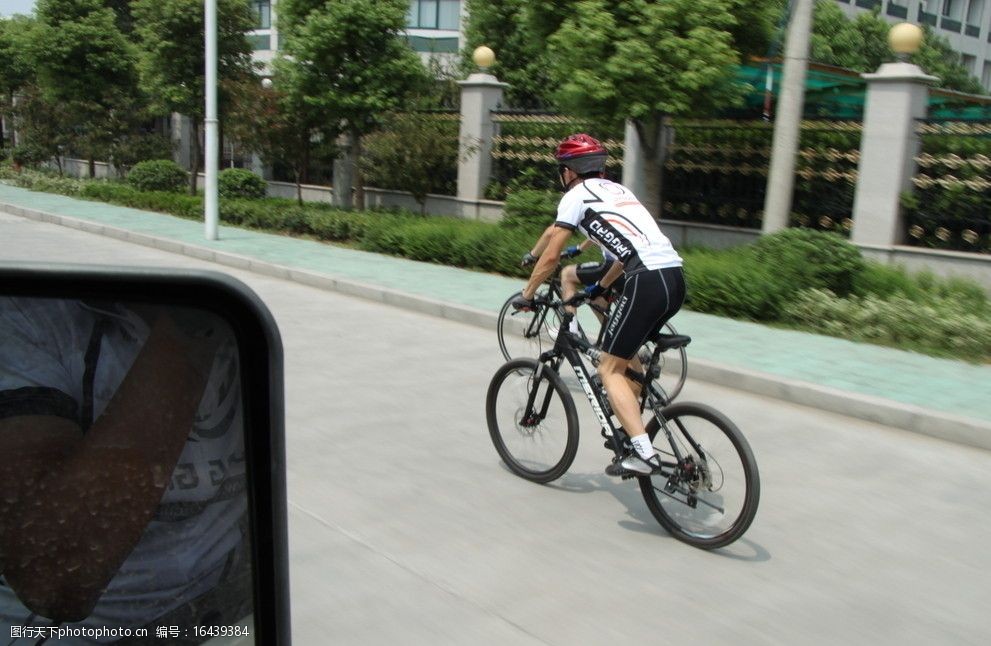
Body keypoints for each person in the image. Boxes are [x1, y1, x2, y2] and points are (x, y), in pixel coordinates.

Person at [0, 298, 251, 644]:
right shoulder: (27, 316)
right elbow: (54, 579)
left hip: (222, 612)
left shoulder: (246, 326)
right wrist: (188, 331)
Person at [511, 133, 686, 476]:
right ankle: (631, 428)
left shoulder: (576, 196)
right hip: (674, 278)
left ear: (569, 171)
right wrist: (598, 288)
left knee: (607, 369)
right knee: (626, 362)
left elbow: (551, 255)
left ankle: (644, 455)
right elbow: (628, 250)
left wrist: (527, 294)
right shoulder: (620, 192)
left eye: (561, 170)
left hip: (644, 281)